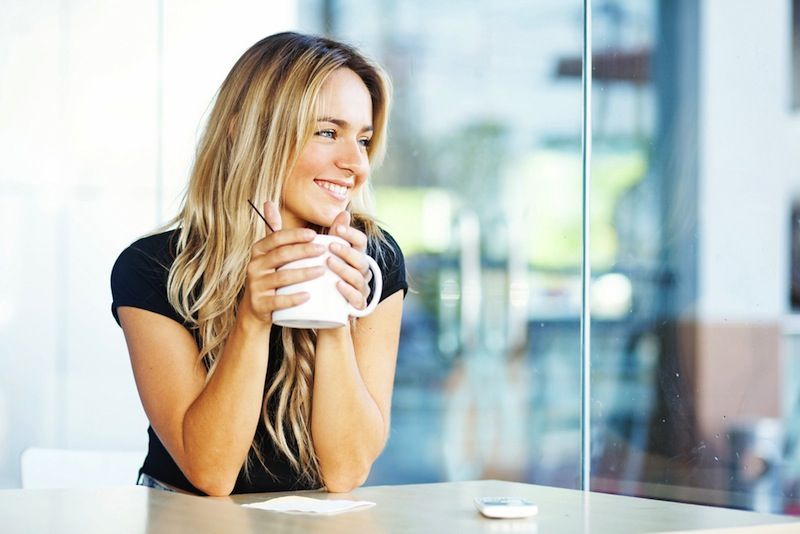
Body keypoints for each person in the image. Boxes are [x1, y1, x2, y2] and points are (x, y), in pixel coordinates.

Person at [110, 32, 407, 496]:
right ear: (247, 131)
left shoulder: (374, 259)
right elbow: (212, 474)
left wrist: (331, 315)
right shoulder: (153, 268)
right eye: (328, 132)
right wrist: (251, 319)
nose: (357, 164)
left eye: (363, 139)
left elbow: (346, 472)